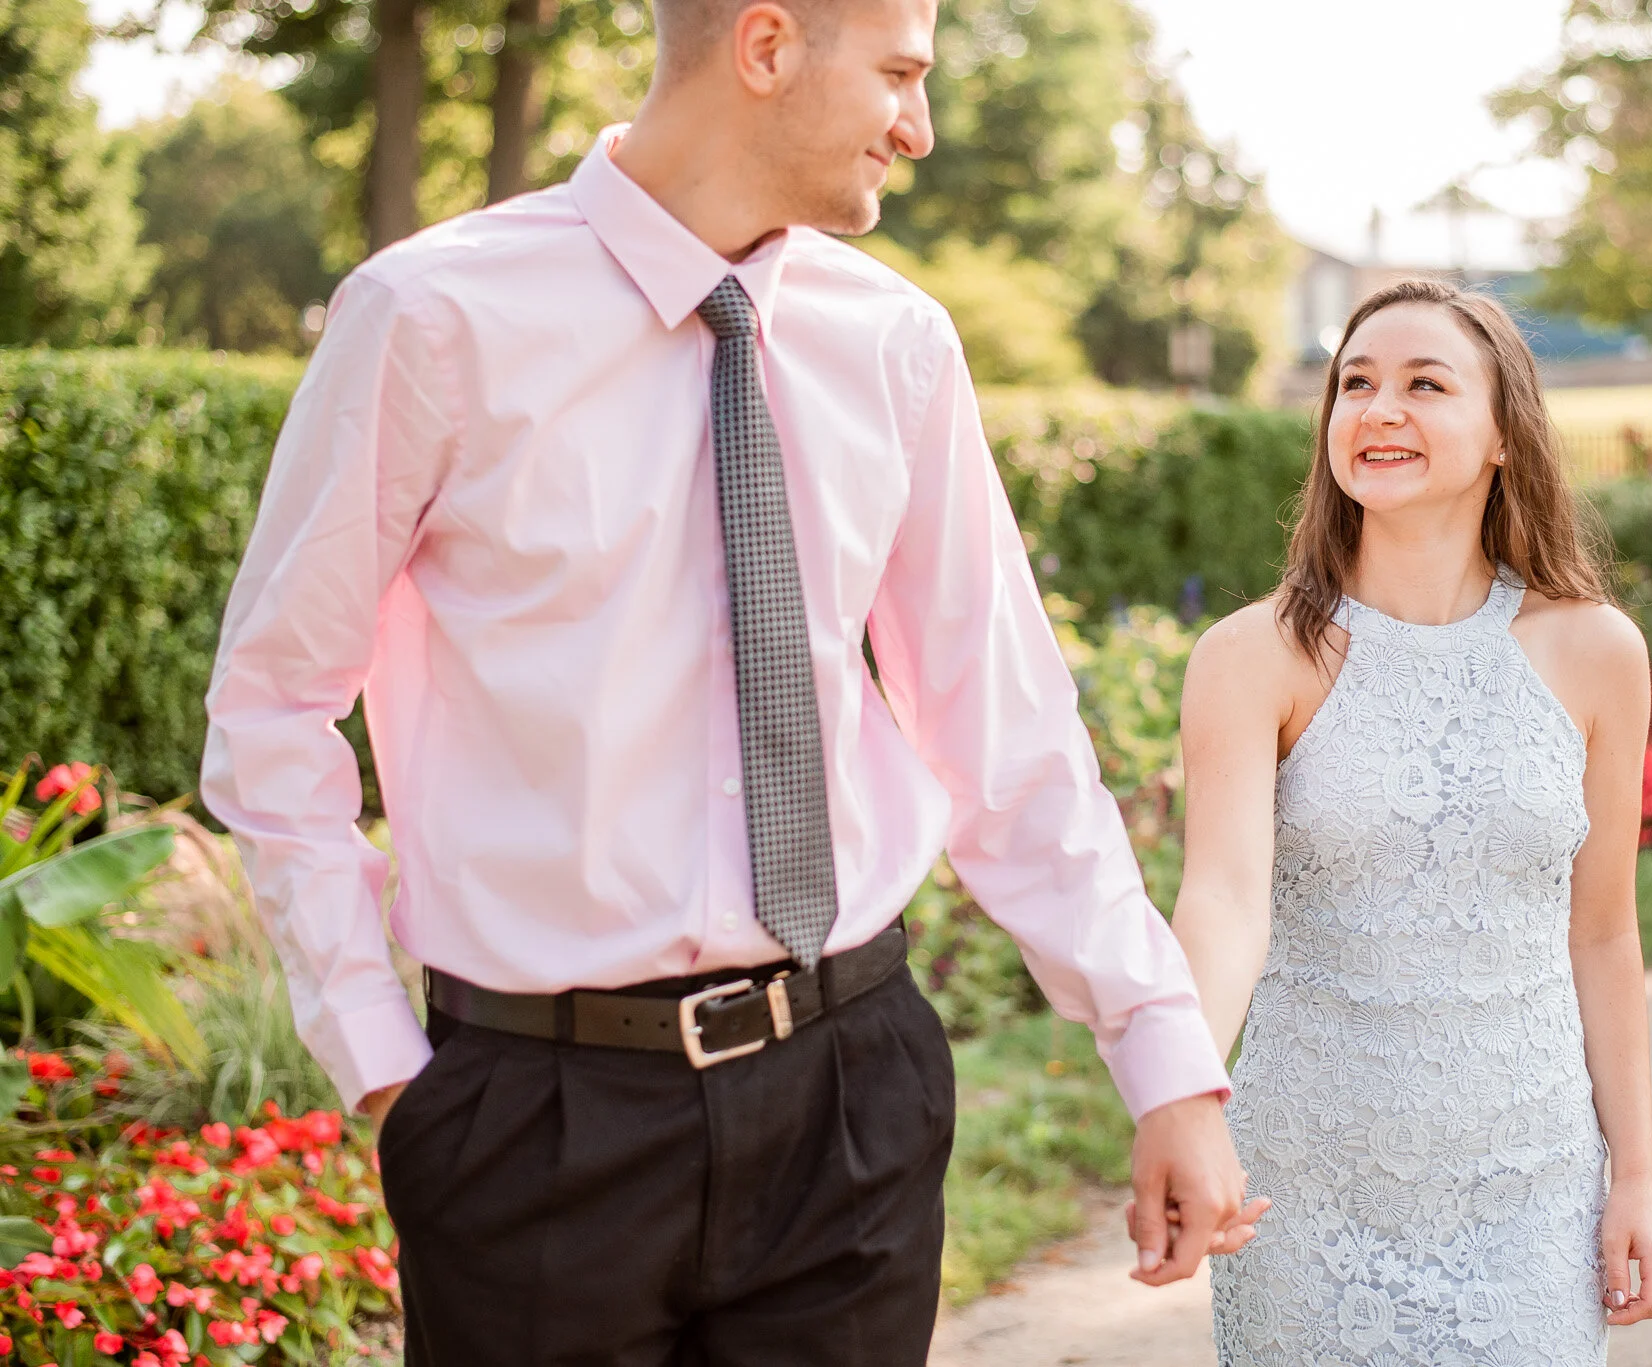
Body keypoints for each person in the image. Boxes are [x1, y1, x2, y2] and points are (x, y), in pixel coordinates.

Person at [200, 1, 1261, 1360]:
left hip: (849, 1092)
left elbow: (1007, 730)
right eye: (898, 75)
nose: (919, 128)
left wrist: (1163, 1055)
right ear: (767, 48)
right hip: (536, 1123)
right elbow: (274, 700)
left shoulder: (897, 343)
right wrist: (382, 1065)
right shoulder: (431, 316)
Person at [1172, 279, 1652, 1365]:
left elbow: (1601, 932)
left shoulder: (1595, 651)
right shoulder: (1249, 655)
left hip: (1530, 1186)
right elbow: (1220, 902)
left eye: (1422, 383)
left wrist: (1632, 1173)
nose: (1376, 408)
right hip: (1307, 1190)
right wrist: (1178, 1092)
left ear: (1502, 433)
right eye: (1354, 383)